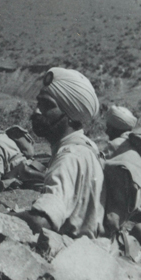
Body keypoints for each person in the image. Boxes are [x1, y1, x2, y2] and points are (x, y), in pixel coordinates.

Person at [14, 67, 106, 239]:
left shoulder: (69, 156)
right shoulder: (85, 146)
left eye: (47, 105)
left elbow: (41, 221)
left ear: (71, 116)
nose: (36, 111)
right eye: (38, 103)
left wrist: (3, 216)